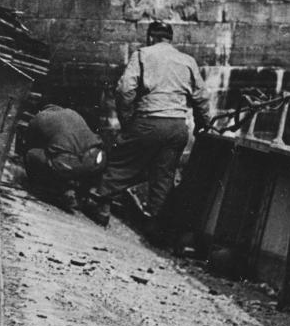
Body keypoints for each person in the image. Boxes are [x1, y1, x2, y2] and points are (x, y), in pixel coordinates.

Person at [86, 19, 212, 233]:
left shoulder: (142, 55)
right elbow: (201, 97)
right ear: (170, 39)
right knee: (164, 175)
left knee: (120, 160)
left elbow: (125, 89)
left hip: (149, 121)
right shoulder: (187, 60)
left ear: (150, 37)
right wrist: (203, 125)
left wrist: (127, 120)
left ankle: (103, 206)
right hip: (177, 127)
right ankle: (154, 224)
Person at [24, 104, 107, 213]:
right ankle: (83, 195)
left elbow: (30, 143)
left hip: (67, 164)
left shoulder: (39, 118)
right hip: (96, 159)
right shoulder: (72, 113)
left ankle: (55, 189)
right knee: (75, 157)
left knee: (31, 154)